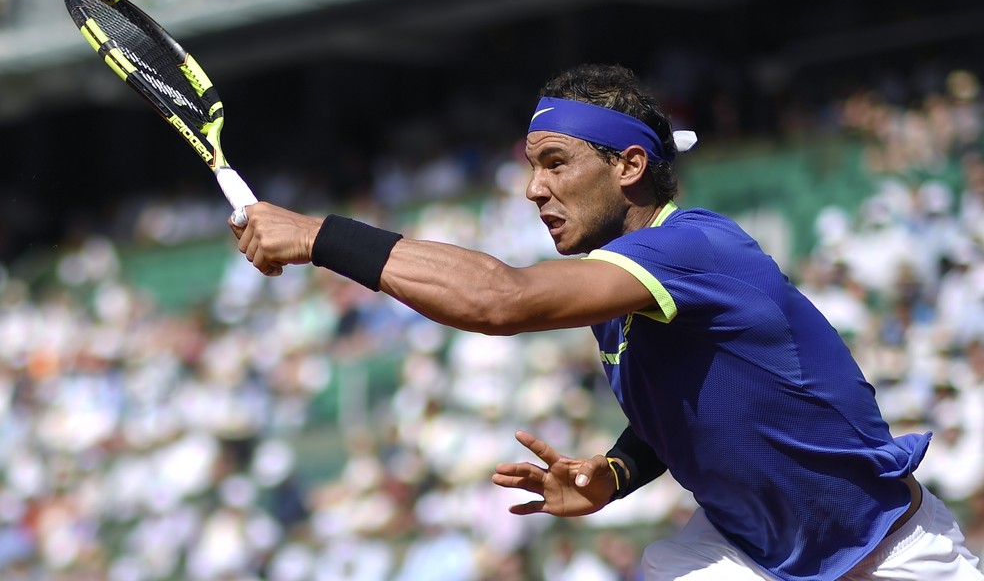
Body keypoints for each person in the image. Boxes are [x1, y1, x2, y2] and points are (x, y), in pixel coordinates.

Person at [230, 63, 982, 580]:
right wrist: (616, 471)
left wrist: (318, 236)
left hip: (892, 552)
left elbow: (501, 301)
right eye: (531, 165)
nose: (533, 188)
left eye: (555, 162)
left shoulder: (694, 247)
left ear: (627, 166)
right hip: (753, 555)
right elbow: (689, 410)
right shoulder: (618, 290)